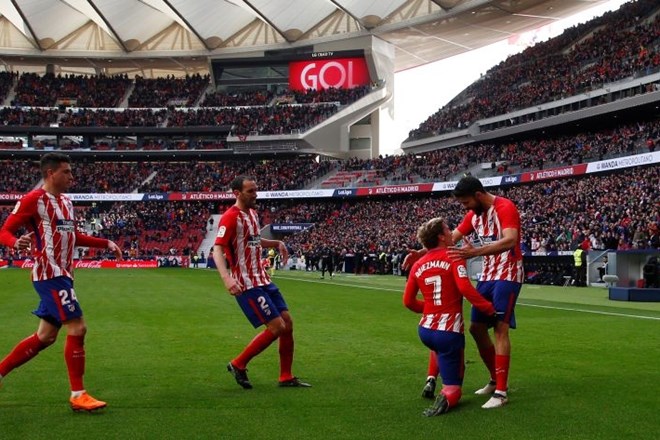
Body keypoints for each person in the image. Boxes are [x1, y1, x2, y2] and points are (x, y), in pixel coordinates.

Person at [0, 152, 122, 412]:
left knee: (45, 337)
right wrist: (14, 242)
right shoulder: (33, 200)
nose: (71, 176)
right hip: (49, 274)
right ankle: (78, 394)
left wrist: (105, 243)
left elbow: (72, 235)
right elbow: (5, 231)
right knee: (77, 328)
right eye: (66, 172)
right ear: (50, 173)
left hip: (64, 274)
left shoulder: (66, 201)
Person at [404, 176, 523, 409]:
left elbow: (511, 240)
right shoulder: (473, 216)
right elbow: (449, 240)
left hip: (508, 274)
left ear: (478, 195)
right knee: (476, 328)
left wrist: (476, 251)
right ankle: (494, 380)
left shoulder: (505, 207)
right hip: (488, 275)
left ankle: (501, 392)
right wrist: (423, 252)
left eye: (466, 202)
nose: (464, 208)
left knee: (500, 328)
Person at [213, 176, 310, 389]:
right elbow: (217, 249)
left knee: (288, 325)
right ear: (236, 193)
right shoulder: (230, 218)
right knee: (276, 327)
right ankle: (238, 364)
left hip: (263, 279)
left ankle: (286, 376)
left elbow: (253, 240)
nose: (255, 195)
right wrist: (226, 278)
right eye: (250, 191)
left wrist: (276, 242)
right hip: (246, 283)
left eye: (256, 190)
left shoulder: (253, 214)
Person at [403, 217, 496, 416]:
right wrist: (489, 309)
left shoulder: (418, 264)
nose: (452, 232)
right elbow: (465, 288)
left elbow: (408, 301)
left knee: (440, 351)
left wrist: (429, 309)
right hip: (448, 332)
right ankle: (446, 396)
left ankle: (431, 379)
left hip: (425, 330)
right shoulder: (453, 256)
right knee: (454, 385)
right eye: (448, 229)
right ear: (441, 237)